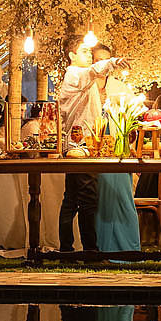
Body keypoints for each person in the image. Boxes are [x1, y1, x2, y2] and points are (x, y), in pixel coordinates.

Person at [57, 35, 128, 253]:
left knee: (71, 199)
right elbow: (94, 70)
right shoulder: (75, 74)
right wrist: (113, 62)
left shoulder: (81, 77)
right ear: (72, 55)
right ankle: (90, 251)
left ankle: (67, 249)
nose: (89, 55)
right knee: (87, 199)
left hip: (79, 144)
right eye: (84, 51)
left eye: (89, 51)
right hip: (80, 147)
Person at [94, 41, 141, 253]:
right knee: (95, 200)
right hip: (92, 151)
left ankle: (127, 248)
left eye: (105, 60)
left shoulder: (121, 88)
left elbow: (133, 120)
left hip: (118, 151)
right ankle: (98, 246)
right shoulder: (85, 87)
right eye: (97, 60)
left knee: (122, 198)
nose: (102, 65)